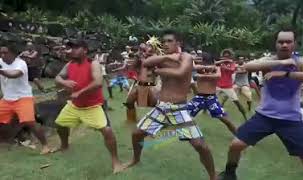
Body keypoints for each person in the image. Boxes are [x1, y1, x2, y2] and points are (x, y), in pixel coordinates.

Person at [218, 28, 303, 180]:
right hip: (264, 116)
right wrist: (281, 62)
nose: (284, 45)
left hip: (290, 119)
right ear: (276, 44)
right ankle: (229, 174)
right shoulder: (270, 61)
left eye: (288, 42)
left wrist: (286, 73)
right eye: (281, 42)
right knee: (235, 146)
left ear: (295, 44)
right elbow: (247, 67)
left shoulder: (301, 62)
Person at [125, 30, 217, 180]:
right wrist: (166, 57)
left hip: (179, 108)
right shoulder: (162, 57)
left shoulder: (186, 57)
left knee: (200, 145)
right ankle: (136, 159)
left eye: (169, 41)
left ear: (178, 43)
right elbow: (146, 63)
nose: (166, 44)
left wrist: (159, 69)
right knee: (136, 134)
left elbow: (181, 73)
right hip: (162, 107)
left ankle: (213, 176)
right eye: (164, 42)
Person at [53, 39, 125, 173]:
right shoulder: (69, 64)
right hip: (74, 106)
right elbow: (57, 77)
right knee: (60, 124)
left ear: (85, 50)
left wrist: (79, 92)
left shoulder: (93, 64)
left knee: (107, 131)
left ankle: (116, 161)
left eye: (76, 47)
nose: (72, 50)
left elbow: (98, 82)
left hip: (93, 106)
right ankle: (64, 145)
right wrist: (64, 82)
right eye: (70, 48)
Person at [0, 43, 50, 154]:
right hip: (7, 99)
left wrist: (1, 71)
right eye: (1, 52)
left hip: (23, 98)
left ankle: (45, 145)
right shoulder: (0, 62)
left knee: (29, 122)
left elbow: (14, 74)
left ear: (13, 53)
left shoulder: (21, 63)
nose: (2, 55)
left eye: (5, 52)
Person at [187, 52, 237, 135]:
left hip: (211, 98)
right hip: (199, 97)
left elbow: (217, 76)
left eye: (200, 58)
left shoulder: (216, 68)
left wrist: (201, 76)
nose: (198, 59)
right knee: (184, 116)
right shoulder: (199, 67)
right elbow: (192, 67)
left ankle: (240, 137)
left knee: (226, 120)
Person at [216, 49, 247, 121]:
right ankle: (205, 112)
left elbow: (232, 70)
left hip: (228, 86)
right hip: (218, 85)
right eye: (224, 56)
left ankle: (245, 116)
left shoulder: (232, 63)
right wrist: (222, 62)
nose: (226, 57)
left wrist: (225, 67)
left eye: (228, 56)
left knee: (237, 102)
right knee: (208, 97)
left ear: (230, 56)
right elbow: (214, 64)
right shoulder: (220, 63)